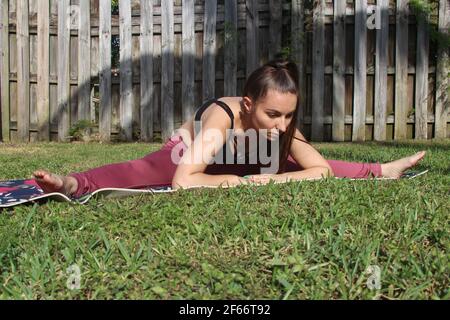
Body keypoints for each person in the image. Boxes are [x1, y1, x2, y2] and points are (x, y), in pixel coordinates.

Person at [33, 59, 426, 197]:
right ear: (250, 104)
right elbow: (184, 181)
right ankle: (72, 183)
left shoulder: (280, 124)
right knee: (146, 169)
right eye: (274, 115)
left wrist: (263, 180)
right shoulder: (226, 114)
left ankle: (382, 170)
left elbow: (320, 169)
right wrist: (242, 181)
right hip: (191, 148)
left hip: (240, 161)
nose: (283, 124)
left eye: (290, 115)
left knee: (290, 164)